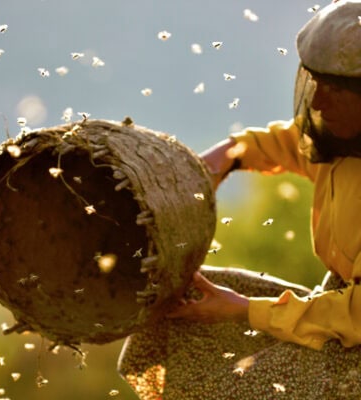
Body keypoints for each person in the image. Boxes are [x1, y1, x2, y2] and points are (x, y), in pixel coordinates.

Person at [118, 1, 361, 398]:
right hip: (335, 309)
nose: (317, 102)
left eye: (334, 90)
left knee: (247, 385)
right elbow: (288, 141)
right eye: (315, 84)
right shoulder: (341, 137)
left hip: (353, 334)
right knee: (183, 305)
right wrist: (225, 158)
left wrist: (243, 309)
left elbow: (354, 315)